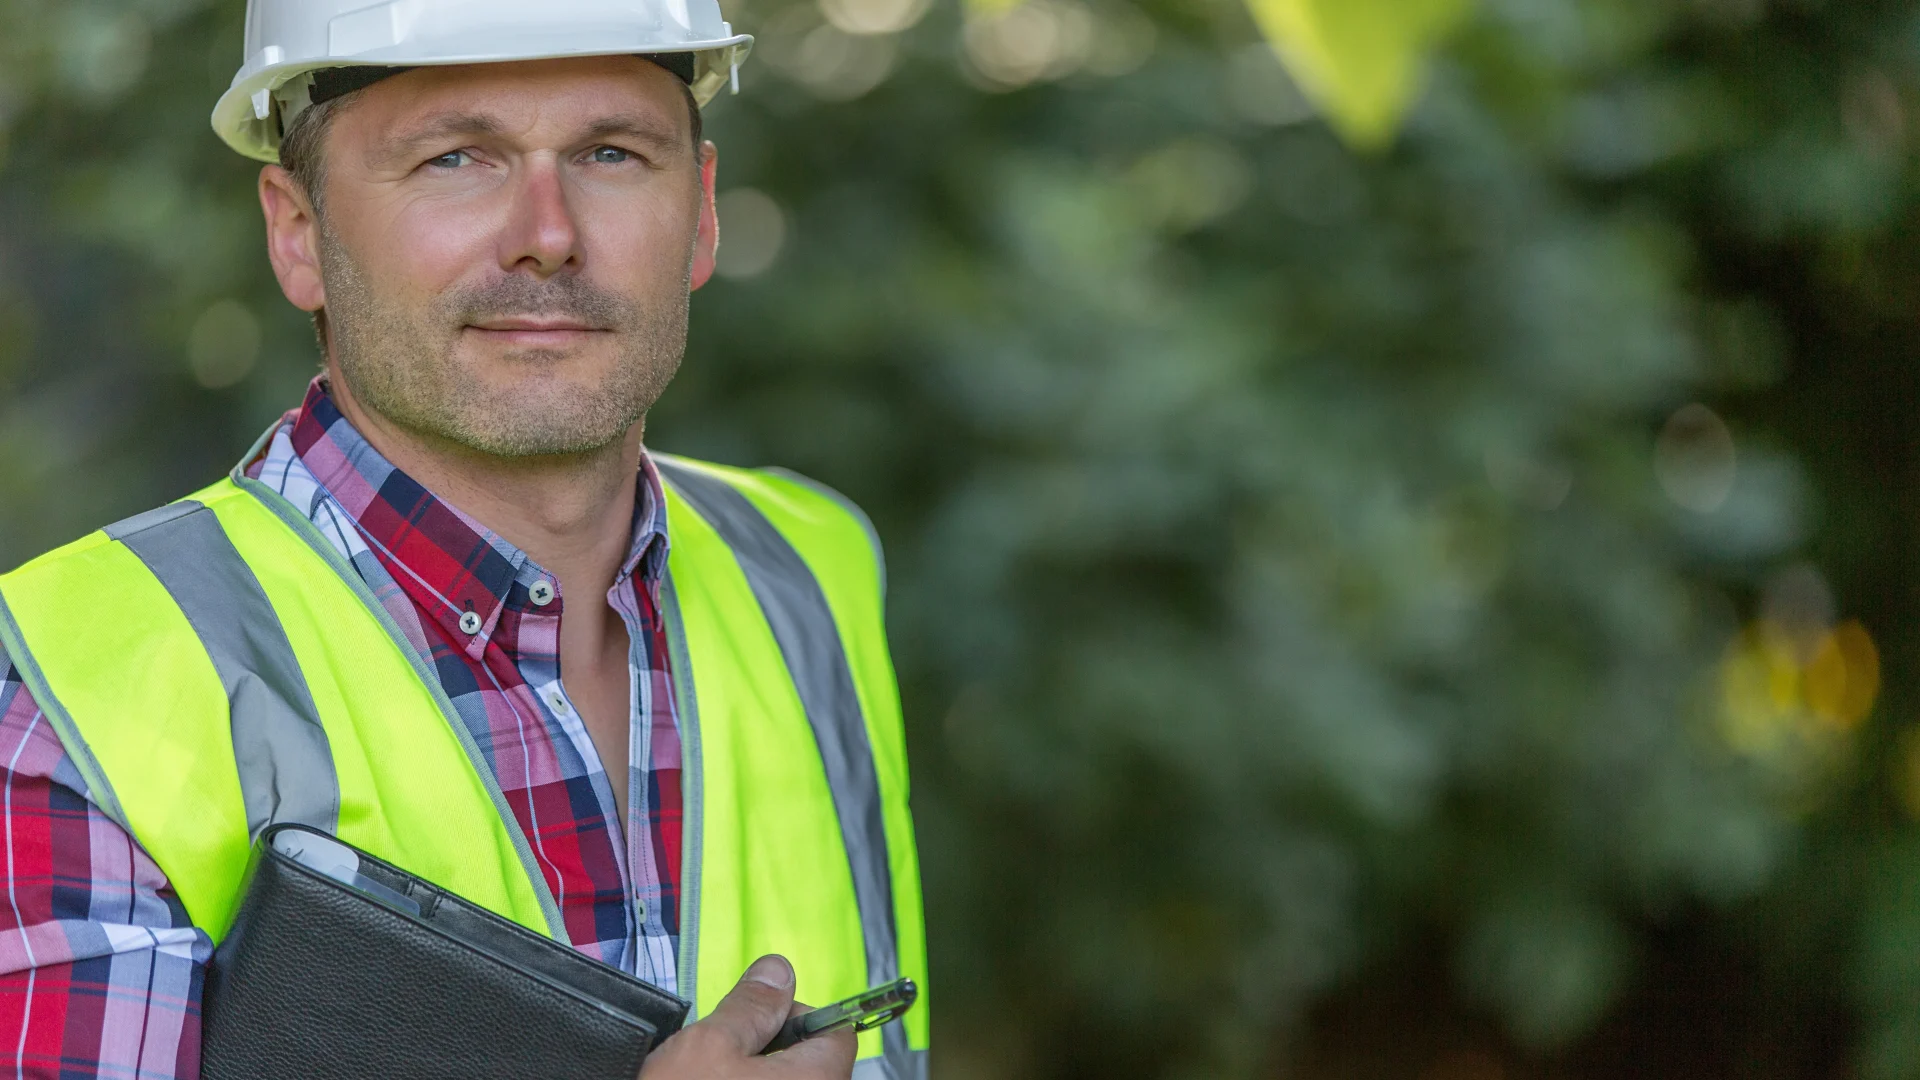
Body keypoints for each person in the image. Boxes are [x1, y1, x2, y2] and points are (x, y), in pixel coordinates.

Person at [0, 2, 929, 1078]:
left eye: (613, 152)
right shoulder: (72, 687)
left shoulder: (808, 568)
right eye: (454, 158)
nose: (548, 232)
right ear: (299, 233)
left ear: (704, 212)